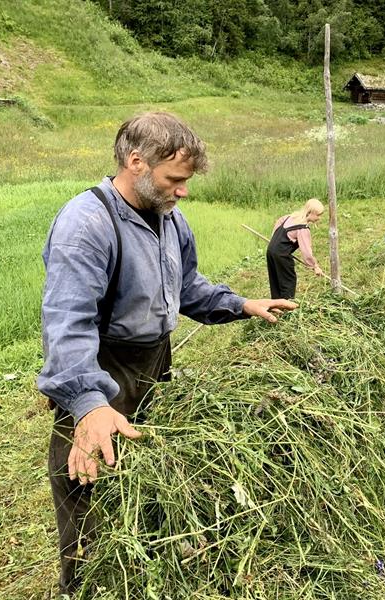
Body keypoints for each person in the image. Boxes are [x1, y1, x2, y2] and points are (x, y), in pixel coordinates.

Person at [37, 112, 296, 596]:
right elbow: (66, 324)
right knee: (87, 498)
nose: (183, 191)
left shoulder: (170, 219)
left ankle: (148, 576)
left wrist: (241, 303)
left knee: (148, 480)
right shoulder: (88, 223)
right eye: (175, 179)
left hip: (156, 364)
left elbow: (187, 286)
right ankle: (85, 586)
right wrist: (89, 405)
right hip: (101, 371)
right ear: (136, 162)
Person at [266, 198, 325, 299]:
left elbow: (278, 223)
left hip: (271, 251)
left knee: (275, 280)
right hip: (282, 255)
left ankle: (276, 307)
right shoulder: (302, 228)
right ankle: (287, 309)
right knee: (288, 281)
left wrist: (273, 241)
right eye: (318, 215)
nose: (319, 218)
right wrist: (315, 266)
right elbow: (306, 251)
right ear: (310, 212)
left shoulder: (290, 217)